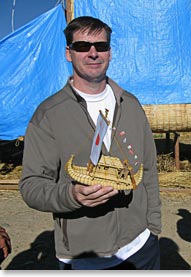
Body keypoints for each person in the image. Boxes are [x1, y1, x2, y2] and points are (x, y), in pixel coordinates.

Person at [19, 16, 161, 270]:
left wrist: (152, 228)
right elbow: (31, 186)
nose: (93, 53)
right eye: (83, 46)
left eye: (101, 46)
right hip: (84, 258)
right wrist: (71, 195)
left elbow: (148, 170)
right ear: (68, 53)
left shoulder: (130, 104)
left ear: (110, 52)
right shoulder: (48, 114)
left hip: (141, 249)